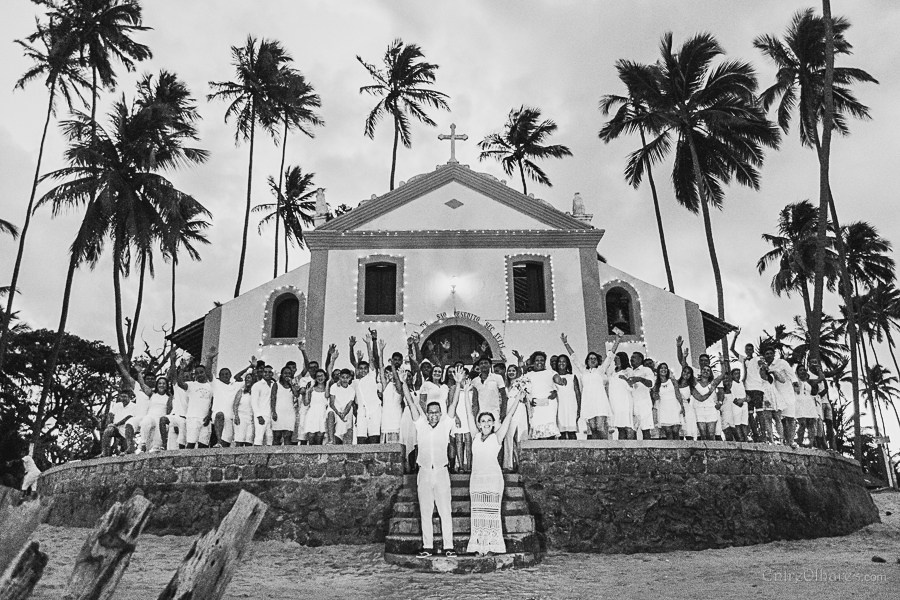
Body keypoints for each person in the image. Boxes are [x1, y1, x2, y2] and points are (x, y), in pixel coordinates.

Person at [401, 365, 464, 558]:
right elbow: (412, 404)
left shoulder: (445, 425)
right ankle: (427, 547)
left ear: (440, 413)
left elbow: (453, 405)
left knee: (445, 510)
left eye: (437, 412)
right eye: (431, 412)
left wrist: (459, 383)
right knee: (426, 511)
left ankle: (448, 547)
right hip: (425, 473)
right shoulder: (421, 426)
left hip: (442, 473)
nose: (434, 415)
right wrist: (403, 383)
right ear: (427, 414)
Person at [464, 368, 523, 556]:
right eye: (483, 421)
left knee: (492, 515)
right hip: (476, 480)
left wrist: (518, 398)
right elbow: (467, 414)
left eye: (489, 421)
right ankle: (478, 547)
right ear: (479, 423)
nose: (487, 423)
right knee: (478, 515)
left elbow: (508, 417)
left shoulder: (497, 437)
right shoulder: (474, 436)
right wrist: (465, 393)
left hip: (493, 480)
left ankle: (491, 547)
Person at [560, 332, 621, 440]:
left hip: (600, 401)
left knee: (600, 426)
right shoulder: (583, 371)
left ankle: (605, 448)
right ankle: (597, 451)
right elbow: (574, 358)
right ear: (587, 361)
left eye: (594, 358)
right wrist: (565, 343)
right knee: (592, 427)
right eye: (590, 358)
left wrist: (617, 340)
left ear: (597, 361)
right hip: (588, 401)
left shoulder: (601, 370)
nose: (592, 360)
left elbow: (610, 356)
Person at [523, 351, 564, 440]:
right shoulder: (528, 375)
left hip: (549, 404)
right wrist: (530, 400)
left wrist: (561, 382)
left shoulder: (550, 372)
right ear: (533, 362)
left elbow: (557, 380)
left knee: (550, 430)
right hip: (535, 405)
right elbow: (525, 391)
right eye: (537, 360)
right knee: (537, 430)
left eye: (542, 360)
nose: (540, 362)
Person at [762, 346, 797, 447]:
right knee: (780, 419)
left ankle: (791, 441)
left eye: (770, 353)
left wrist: (795, 384)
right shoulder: (765, 366)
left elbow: (791, 374)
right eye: (766, 354)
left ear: (774, 354)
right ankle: (785, 441)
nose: (768, 355)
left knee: (790, 418)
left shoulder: (782, 362)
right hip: (774, 395)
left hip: (787, 393)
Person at [211, 362, 251, 448]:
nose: (225, 376)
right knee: (219, 414)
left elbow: (247, 380)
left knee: (226, 444)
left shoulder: (236, 385)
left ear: (230, 375)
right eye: (222, 374)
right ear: (219, 376)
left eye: (227, 374)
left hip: (230, 418)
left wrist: (250, 367)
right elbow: (207, 372)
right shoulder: (216, 383)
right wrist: (210, 359)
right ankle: (218, 441)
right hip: (219, 417)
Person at [176, 364, 214, 449]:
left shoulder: (211, 386)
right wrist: (181, 370)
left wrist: (209, 416)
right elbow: (180, 383)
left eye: (201, 372)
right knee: (191, 444)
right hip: (193, 418)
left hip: (206, 420)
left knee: (203, 445)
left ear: (205, 373)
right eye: (197, 373)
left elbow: (212, 402)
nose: (199, 374)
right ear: (195, 375)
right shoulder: (191, 385)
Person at [353, 335, 382, 444]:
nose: (364, 370)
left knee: (374, 437)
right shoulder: (355, 382)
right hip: (362, 411)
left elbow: (371, 359)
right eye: (361, 369)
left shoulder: (371, 376)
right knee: (361, 437)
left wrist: (368, 344)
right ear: (358, 370)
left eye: (365, 368)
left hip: (374, 409)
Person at [502, 364, 529, 470]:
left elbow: (525, 396)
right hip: (509, 410)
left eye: (513, 371)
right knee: (509, 437)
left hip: (519, 408)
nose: (511, 373)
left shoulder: (520, 383)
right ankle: (510, 464)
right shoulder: (505, 385)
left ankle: (521, 463)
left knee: (520, 436)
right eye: (509, 371)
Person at [625, 352, 655, 439]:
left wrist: (639, 379)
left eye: (634, 357)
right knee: (631, 430)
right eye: (631, 357)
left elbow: (651, 384)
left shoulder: (646, 370)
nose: (631, 359)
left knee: (645, 429)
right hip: (632, 404)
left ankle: (648, 450)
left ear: (640, 359)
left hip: (643, 404)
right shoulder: (629, 371)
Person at [103, 385, 139, 455]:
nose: (123, 399)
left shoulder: (134, 406)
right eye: (121, 397)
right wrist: (110, 423)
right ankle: (104, 452)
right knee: (107, 431)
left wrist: (115, 424)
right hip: (116, 429)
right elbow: (111, 415)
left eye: (125, 397)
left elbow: (128, 417)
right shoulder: (117, 405)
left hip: (127, 429)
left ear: (129, 397)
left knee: (128, 451)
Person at [651, 362, 684, 440]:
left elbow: (678, 394)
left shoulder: (672, 381)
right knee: (668, 432)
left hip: (674, 407)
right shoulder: (656, 384)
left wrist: (682, 406)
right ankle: (672, 450)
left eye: (665, 368)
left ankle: (679, 450)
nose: (663, 369)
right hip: (663, 408)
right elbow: (655, 397)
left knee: (675, 431)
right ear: (658, 370)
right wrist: (655, 395)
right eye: (661, 368)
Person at [607, 351, 634, 439]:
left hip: (625, 401)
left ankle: (631, 447)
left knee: (628, 426)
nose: (615, 360)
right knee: (620, 427)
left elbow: (632, 386)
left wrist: (625, 379)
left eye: (617, 358)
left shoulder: (628, 371)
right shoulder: (613, 372)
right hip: (615, 402)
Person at [693, 366, 724, 440]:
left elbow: (722, 375)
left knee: (711, 435)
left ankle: (711, 451)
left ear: (710, 374)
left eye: (708, 370)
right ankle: (705, 451)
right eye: (704, 369)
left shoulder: (713, 383)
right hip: (699, 411)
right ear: (701, 371)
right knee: (703, 435)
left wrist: (722, 363)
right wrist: (684, 357)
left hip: (711, 411)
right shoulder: (695, 382)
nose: (706, 371)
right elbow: (685, 367)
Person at [553, 353, 580, 440]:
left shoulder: (572, 376)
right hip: (559, 407)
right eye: (559, 361)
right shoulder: (553, 377)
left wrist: (579, 409)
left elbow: (577, 393)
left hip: (571, 407)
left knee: (572, 432)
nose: (561, 363)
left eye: (564, 361)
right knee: (561, 433)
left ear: (567, 363)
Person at [451, 369, 472, 473]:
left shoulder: (472, 387)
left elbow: (475, 404)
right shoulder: (454, 388)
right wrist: (456, 417)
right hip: (458, 416)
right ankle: (460, 466)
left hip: (468, 416)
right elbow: (450, 404)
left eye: (463, 373)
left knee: (469, 441)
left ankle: (469, 465)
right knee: (458, 441)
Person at [328, 368, 357, 445]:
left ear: (350, 378)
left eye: (347, 377)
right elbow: (331, 403)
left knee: (343, 433)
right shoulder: (334, 386)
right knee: (330, 413)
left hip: (345, 413)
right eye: (343, 377)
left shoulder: (352, 390)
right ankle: (330, 440)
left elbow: (349, 404)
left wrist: (343, 414)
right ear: (340, 377)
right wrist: (338, 413)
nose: (345, 379)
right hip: (335, 410)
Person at [271, 366, 298, 445]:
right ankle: (274, 456)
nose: (287, 375)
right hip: (278, 412)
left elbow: (296, 395)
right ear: (281, 374)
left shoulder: (292, 385)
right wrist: (273, 412)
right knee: (277, 436)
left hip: (289, 413)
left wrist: (292, 384)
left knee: (288, 436)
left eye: (289, 373)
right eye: (285, 373)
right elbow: (273, 398)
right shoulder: (276, 384)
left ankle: (286, 455)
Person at [794, 363, 819, 447]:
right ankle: (799, 442)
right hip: (800, 403)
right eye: (800, 370)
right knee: (803, 423)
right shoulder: (796, 381)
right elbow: (796, 389)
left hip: (809, 403)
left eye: (803, 370)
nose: (802, 371)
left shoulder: (808, 383)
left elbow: (814, 391)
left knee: (811, 423)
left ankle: (811, 443)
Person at [303, 369, 329, 445]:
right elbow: (306, 403)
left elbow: (327, 396)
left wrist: (327, 383)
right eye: (318, 376)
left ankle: (318, 457)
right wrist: (307, 392)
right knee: (311, 437)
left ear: (325, 377)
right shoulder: (312, 389)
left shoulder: (328, 389)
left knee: (319, 438)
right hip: (312, 414)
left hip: (322, 414)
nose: (320, 378)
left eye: (322, 376)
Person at [251, 365, 275, 446]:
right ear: (262, 373)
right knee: (259, 438)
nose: (267, 374)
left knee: (270, 438)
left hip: (271, 416)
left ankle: (269, 458)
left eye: (270, 372)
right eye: (265, 372)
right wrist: (258, 416)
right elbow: (254, 402)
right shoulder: (257, 385)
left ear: (272, 374)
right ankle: (255, 458)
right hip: (261, 415)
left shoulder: (274, 385)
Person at [232, 376, 255, 447]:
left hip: (251, 419)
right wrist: (236, 416)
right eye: (247, 378)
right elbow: (235, 404)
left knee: (249, 440)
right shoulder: (241, 391)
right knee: (240, 440)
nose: (248, 380)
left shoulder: (255, 392)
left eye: (250, 378)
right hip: (241, 417)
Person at [728, 368, 750, 442]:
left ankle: (745, 439)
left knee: (744, 423)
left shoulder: (741, 383)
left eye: (739, 373)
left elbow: (745, 376)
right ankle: (739, 439)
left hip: (744, 405)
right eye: (736, 374)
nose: (738, 375)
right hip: (736, 405)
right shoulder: (731, 383)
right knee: (737, 424)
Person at [677, 365, 698, 440]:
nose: (686, 374)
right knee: (678, 433)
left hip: (687, 410)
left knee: (688, 431)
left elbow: (699, 396)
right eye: (684, 371)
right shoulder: (675, 383)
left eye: (689, 373)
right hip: (676, 408)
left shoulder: (691, 386)